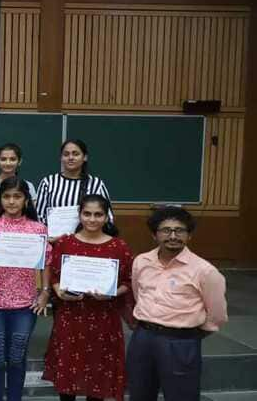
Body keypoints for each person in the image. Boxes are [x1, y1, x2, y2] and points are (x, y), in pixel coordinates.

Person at [127, 207, 228, 401]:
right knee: (139, 393)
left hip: (181, 342)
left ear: (189, 235)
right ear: (154, 235)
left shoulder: (205, 271)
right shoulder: (141, 261)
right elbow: (137, 294)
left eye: (179, 230)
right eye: (166, 230)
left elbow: (217, 314)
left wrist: (188, 335)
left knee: (182, 396)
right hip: (143, 338)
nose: (173, 236)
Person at [42, 195, 132, 401]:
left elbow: (128, 281)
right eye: (87, 214)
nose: (92, 219)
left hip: (103, 320)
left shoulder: (119, 246)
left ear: (106, 217)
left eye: (98, 214)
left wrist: (111, 293)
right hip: (71, 318)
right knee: (68, 379)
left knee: (98, 376)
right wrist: (58, 290)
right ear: (79, 215)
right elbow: (55, 274)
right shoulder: (65, 243)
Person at [0, 176, 51, 401]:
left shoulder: (38, 229)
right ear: (1, 199)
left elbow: (46, 261)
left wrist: (45, 292)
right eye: (7, 196)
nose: (11, 201)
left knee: (17, 357)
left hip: (24, 303)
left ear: (26, 200)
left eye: (17, 196)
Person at [36, 139, 112, 229]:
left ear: (85, 157)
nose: (70, 157)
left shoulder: (96, 184)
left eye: (75, 154)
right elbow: (39, 215)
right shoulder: (48, 182)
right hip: (54, 240)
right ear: (61, 158)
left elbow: (108, 216)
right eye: (66, 154)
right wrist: (50, 235)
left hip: (87, 239)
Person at [0, 143, 38, 218]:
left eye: (12, 159)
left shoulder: (28, 185)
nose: (8, 163)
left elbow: (32, 214)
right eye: (3, 159)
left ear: (19, 161)